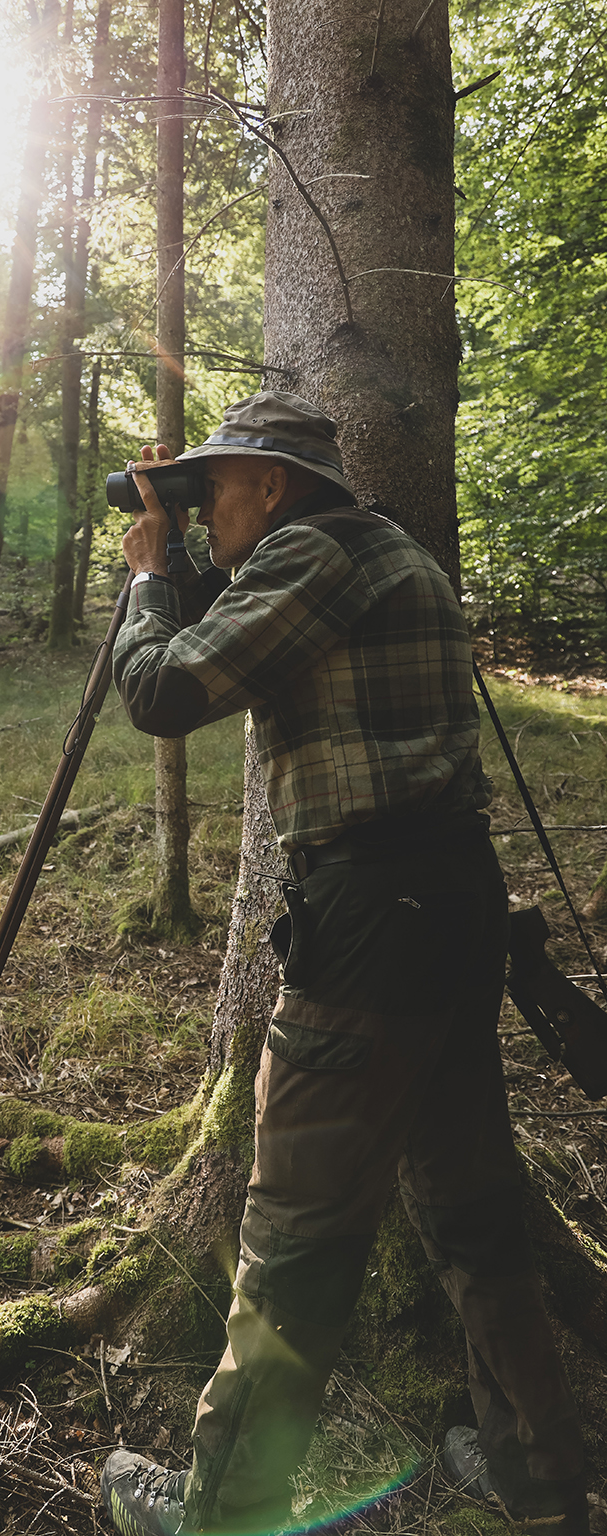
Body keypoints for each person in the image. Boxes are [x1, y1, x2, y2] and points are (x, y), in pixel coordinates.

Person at [99, 392, 587, 1536]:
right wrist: (184, 544)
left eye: (214, 487)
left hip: (370, 921)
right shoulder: (382, 550)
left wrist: (146, 580)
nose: (204, 508)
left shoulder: (310, 557)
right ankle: (539, 1479)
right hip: (451, 906)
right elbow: (252, 629)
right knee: (472, 1205)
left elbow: (164, 691)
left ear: (271, 486)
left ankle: (223, 1511)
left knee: (297, 1233)